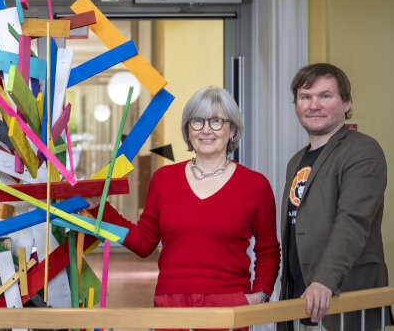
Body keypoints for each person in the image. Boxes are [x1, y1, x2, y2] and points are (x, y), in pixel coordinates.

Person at [96, 86, 280, 331]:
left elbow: (268, 249)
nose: (206, 130)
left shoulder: (255, 185)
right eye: (197, 121)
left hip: (229, 307)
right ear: (188, 129)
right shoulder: (164, 179)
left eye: (216, 121)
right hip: (171, 306)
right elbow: (143, 242)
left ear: (232, 129)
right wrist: (100, 208)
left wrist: (260, 295)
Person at [279, 63, 392, 331]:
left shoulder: (362, 150)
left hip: (345, 301)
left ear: (346, 103)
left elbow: (353, 221)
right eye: (305, 97)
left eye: (325, 96)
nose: (313, 104)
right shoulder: (296, 160)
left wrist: (325, 280)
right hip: (301, 302)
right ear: (296, 106)